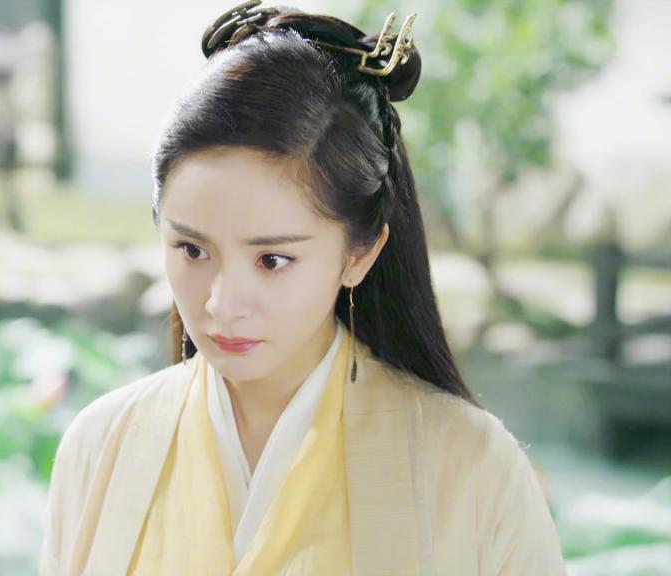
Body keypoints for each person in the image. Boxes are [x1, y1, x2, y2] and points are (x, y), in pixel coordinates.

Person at [39, 2, 566, 574]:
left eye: (272, 260)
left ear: (360, 254)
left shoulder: (473, 470)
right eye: (192, 250)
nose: (221, 303)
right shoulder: (101, 446)